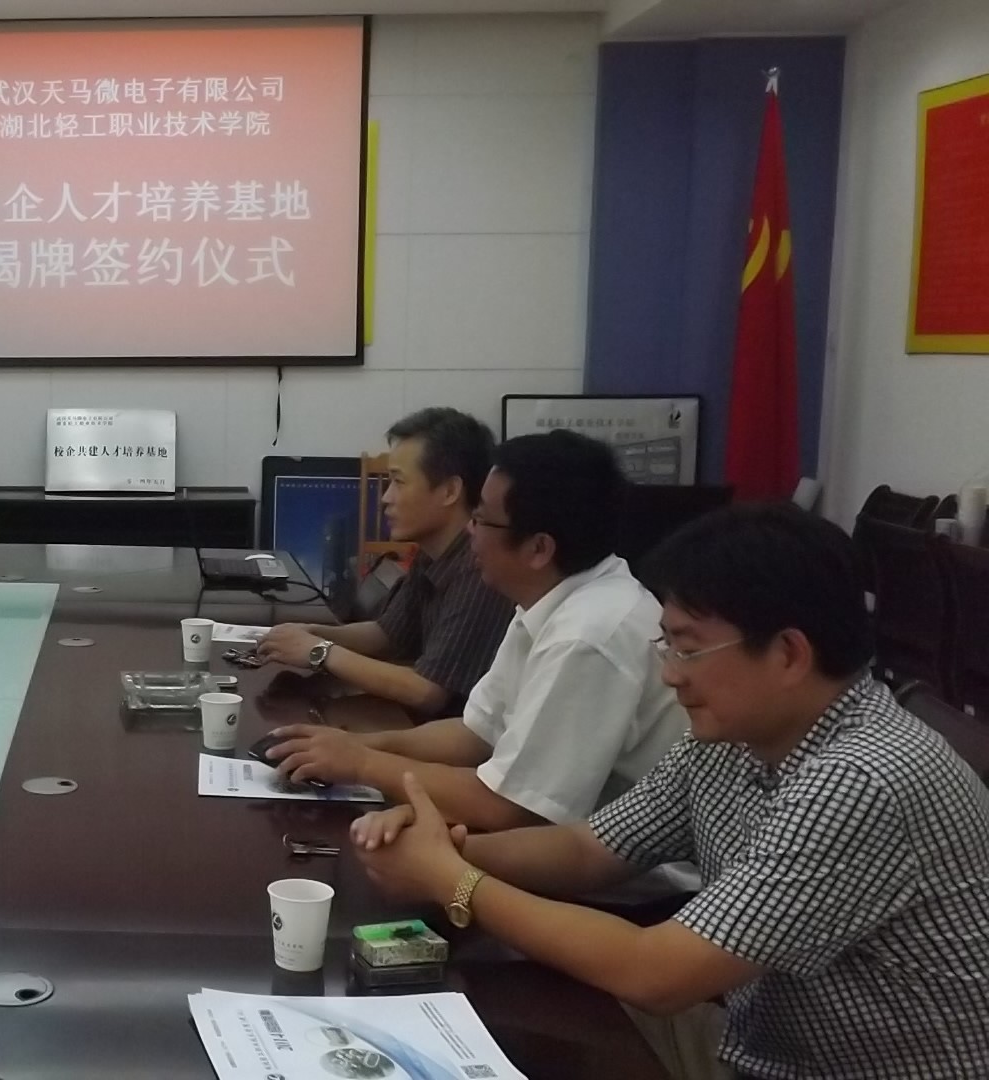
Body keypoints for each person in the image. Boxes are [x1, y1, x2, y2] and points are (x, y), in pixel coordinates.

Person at [351, 505, 989, 1080]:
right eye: (667, 643)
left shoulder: (861, 780)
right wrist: (447, 848)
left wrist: (454, 881)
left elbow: (654, 973)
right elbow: (589, 850)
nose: (669, 675)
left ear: (789, 654)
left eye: (687, 649)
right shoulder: (736, 735)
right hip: (754, 1040)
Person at [267, 431, 689, 837]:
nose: (469, 529)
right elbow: (476, 734)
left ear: (539, 548)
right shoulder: (546, 598)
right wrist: (358, 745)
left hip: (623, 879)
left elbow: (511, 808)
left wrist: (362, 764)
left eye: (482, 518)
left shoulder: (590, 635)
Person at [257, 408, 513, 714]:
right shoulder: (432, 552)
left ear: (450, 491)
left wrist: (319, 652)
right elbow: (387, 635)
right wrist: (313, 633)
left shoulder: (478, 569)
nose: (385, 497)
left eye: (399, 482)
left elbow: (428, 691)